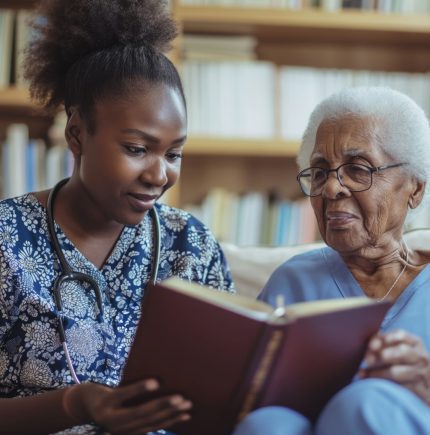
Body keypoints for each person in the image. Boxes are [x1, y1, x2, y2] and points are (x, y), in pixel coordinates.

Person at [0, 1, 234, 434]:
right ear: (76, 133)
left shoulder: (191, 247)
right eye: (137, 149)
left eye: (174, 153)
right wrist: (75, 404)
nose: (160, 174)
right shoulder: (6, 241)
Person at [234, 87, 430, 435]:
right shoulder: (293, 281)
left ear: (415, 188)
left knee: (363, 405)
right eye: (320, 172)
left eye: (358, 169)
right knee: (268, 425)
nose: (331, 188)